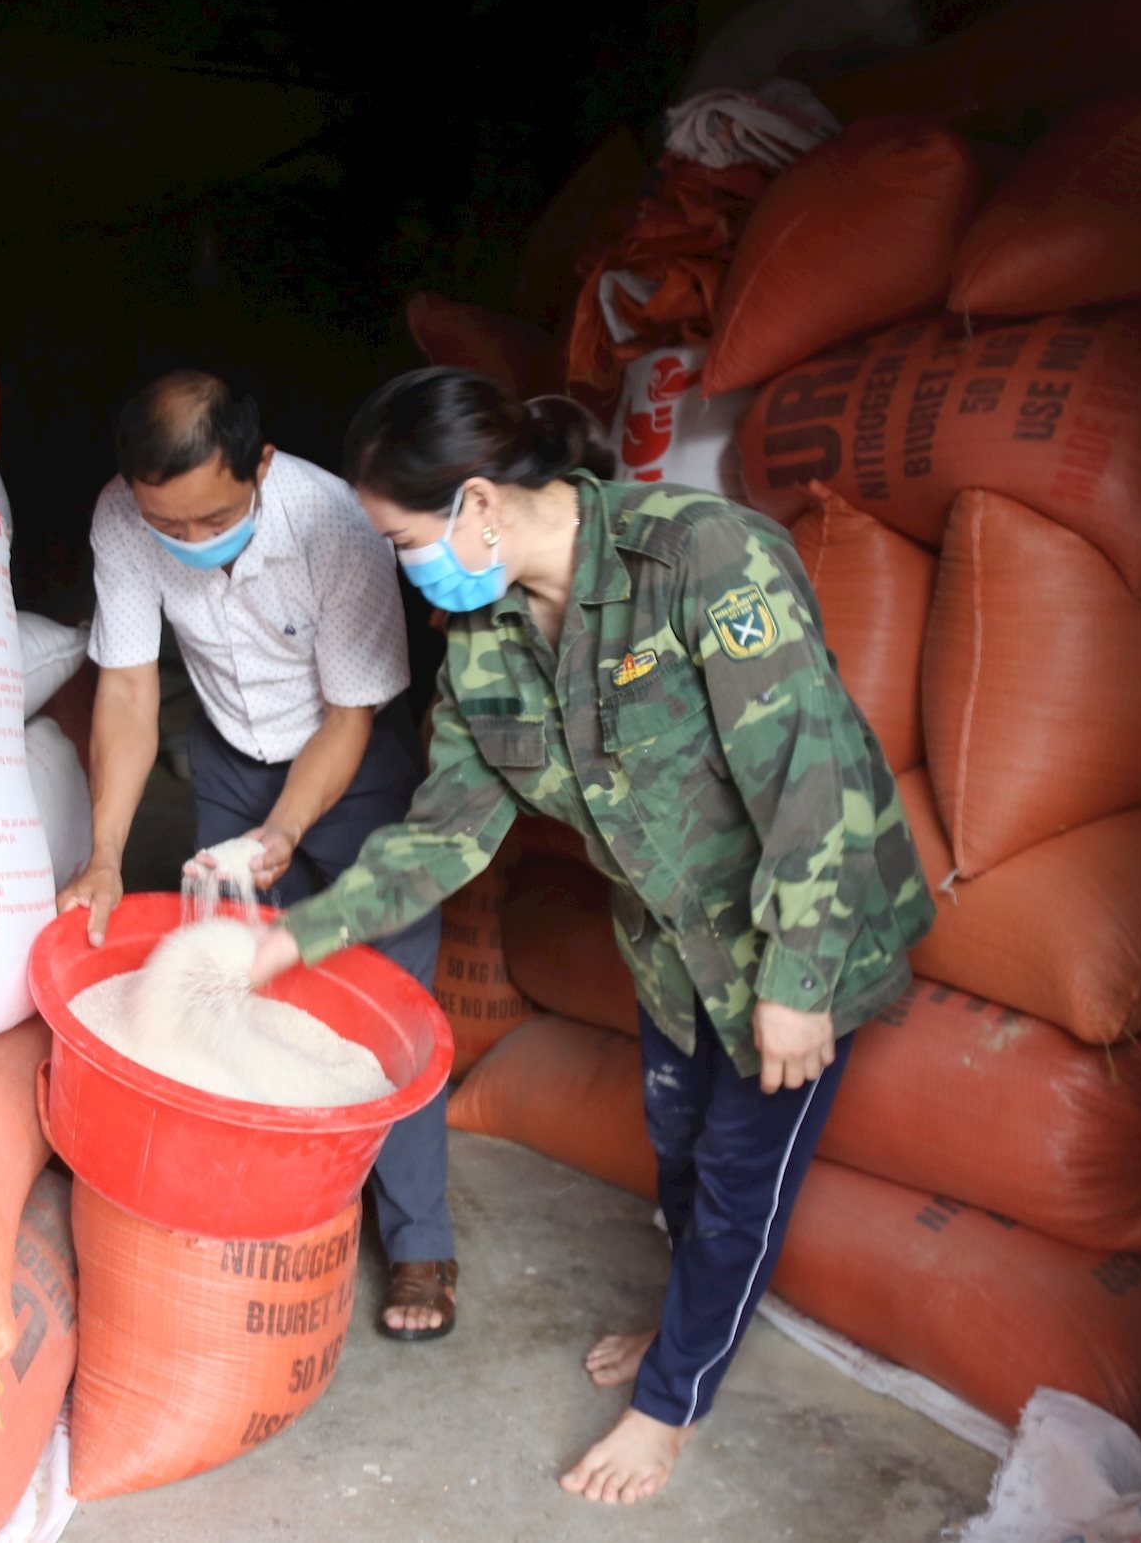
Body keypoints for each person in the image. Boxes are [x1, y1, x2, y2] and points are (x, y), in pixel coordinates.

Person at [247, 368, 934, 1502]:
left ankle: (671, 1404)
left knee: (736, 1184)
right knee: (674, 1154)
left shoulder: (702, 555)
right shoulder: (479, 636)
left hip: (799, 933)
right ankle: (686, 1322)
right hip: (670, 949)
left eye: (403, 536)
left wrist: (802, 979)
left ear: (477, 502)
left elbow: (809, 780)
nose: (405, 565)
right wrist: (299, 935)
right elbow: (445, 832)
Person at [55, 369, 460, 1339]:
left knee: (381, 1006)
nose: (191, 542)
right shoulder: (124, 517)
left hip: (351, 759)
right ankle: (251, 1203)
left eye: (213, 519)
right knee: (231, 982)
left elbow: (352, 711)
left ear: (261, 464)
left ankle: (418, 1243)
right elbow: (125, 688)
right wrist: (105, 852)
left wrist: (284, 831)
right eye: (170, 525)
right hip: (230, 755)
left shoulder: (336, 523)